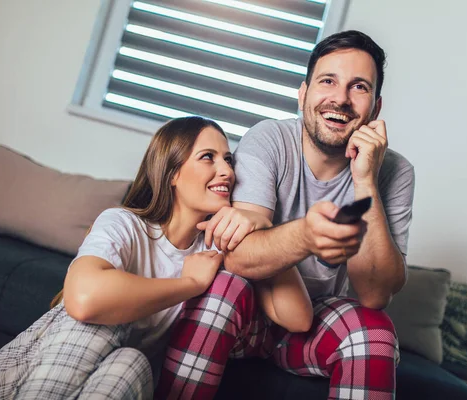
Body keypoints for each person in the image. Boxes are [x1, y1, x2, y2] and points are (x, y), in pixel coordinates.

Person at [156, 31, 415, 399]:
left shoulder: (396, 172)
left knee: (375, 331)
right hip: (252, 307)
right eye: (328, 81)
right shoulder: (269, 139)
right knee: (224, 287)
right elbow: (238, 253)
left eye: (358, 87)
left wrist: (366, 180)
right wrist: (306, 235)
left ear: (375, 108)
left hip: (318, 320)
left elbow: (374, 294)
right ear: (303, 93)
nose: (340, 98)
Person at [0, 116, 313, 400]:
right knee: (106, 323)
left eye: (229, 159)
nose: (226, 171)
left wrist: (263, 224)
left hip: (116, 384)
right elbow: (84, 300)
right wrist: (189, 284)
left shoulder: (218, 249)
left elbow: (298, 318)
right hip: (23, 380)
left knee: (132, 363)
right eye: (208, 157)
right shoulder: (124, 224)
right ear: (172, 174)